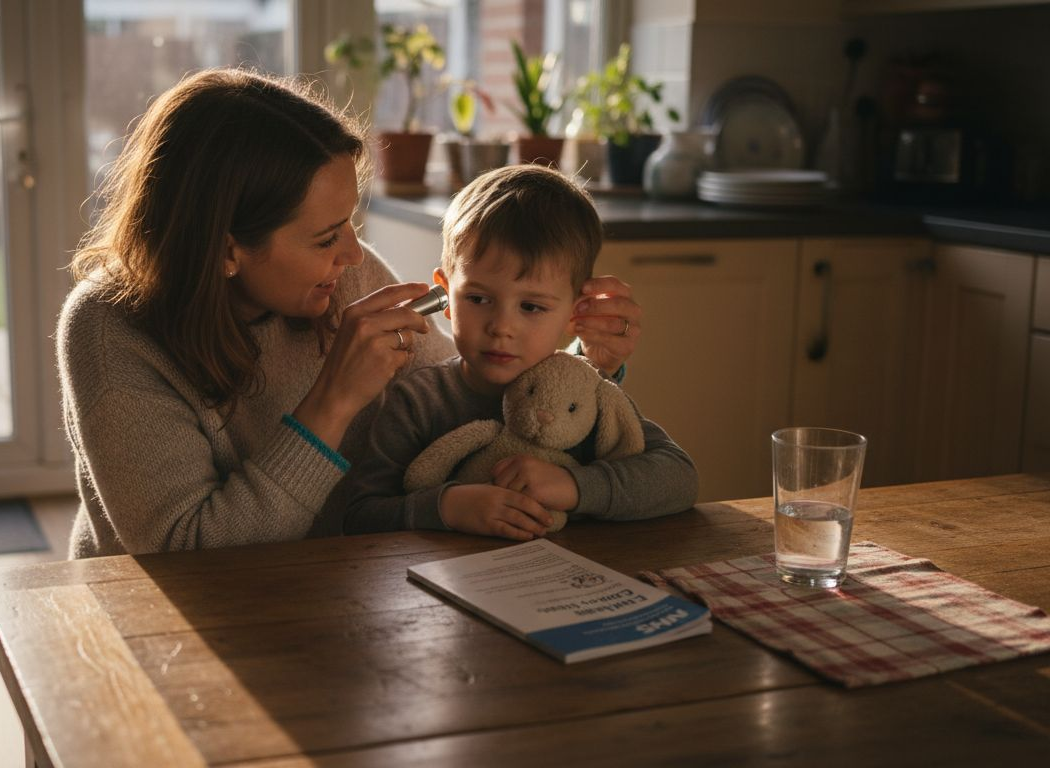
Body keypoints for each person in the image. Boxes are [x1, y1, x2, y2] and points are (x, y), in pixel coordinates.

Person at [58, 68, 644, 557]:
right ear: (227, 249)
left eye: (350, 223)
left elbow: (465, 407)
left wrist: (588, 369)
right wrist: (331, 403)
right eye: (325, 237)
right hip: (167, 621)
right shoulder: (113, 332)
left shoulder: (342, 277)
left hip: (341, 578)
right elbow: (187, 553)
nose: (354, 254)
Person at [344, 165, 698, 541]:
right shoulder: (419, 402)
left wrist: (575, 487)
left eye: (531, 307)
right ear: (446, 295)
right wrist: (447, 507)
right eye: (478, 299)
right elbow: (360, 516)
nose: (501, 326)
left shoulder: (584, 391)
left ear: (575, 311)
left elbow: (679, 477)